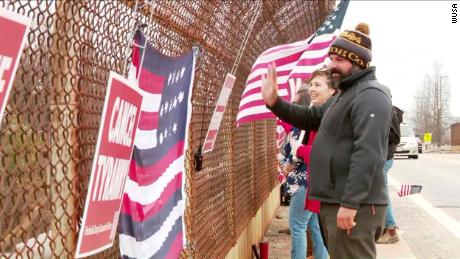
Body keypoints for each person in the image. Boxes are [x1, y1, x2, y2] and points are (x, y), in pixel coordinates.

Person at [261, 23, 392, 259]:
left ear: (360, 62)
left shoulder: (371, 95)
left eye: (340, 60)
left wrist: (351, 203)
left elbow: (368, 153)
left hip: (355, 205)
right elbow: (312, 118)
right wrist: (275, 102)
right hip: (334, 201)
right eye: (331, 58)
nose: (332, 65)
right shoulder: (344, 95)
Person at [277, 83, 328, 259]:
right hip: (313, 181)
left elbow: (298, 152)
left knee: (297, 226)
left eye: (294, 104)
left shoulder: (301, 127)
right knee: (314, 226)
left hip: (302, 183)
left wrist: (288, 165)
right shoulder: (313, 123)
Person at [377, 106, 404, 244]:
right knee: (380, 193)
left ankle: (391, 229)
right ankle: (385, 227)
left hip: (384, 158)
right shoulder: (389, 111)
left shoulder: (389, 112)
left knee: (382, 193)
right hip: (384, 157)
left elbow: (395, 137)